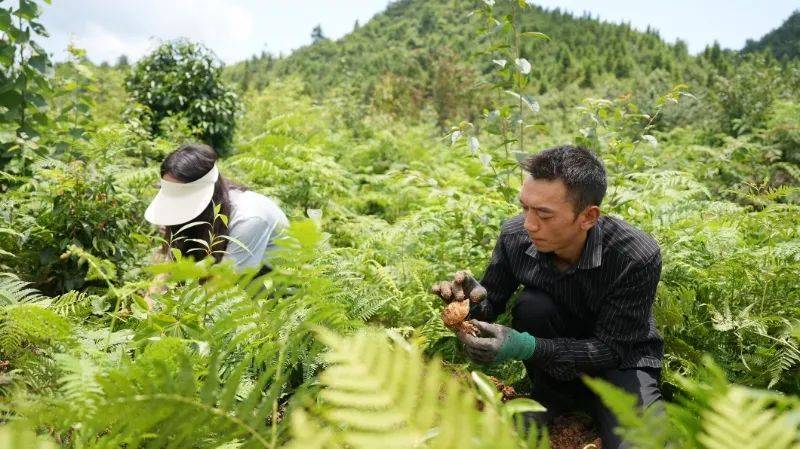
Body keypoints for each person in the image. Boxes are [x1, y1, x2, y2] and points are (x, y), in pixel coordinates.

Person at [431, 145, 663, 449]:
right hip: (552, 373)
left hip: (621, 365)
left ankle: (605, 407)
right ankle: (555, 398)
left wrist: (525, 346)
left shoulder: (634, 255)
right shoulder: (516, 236)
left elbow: (612, 350)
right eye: (525, 208)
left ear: (588, 217)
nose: (529, 224)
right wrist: (467, 307)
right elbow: (490, 305)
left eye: (544, 214)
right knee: (534, 306)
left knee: (643, 444)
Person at [144, 143, 289, 277]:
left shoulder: (249, 219)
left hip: (276, 291)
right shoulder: (197, 211)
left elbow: (222, 286)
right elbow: (167, 269)